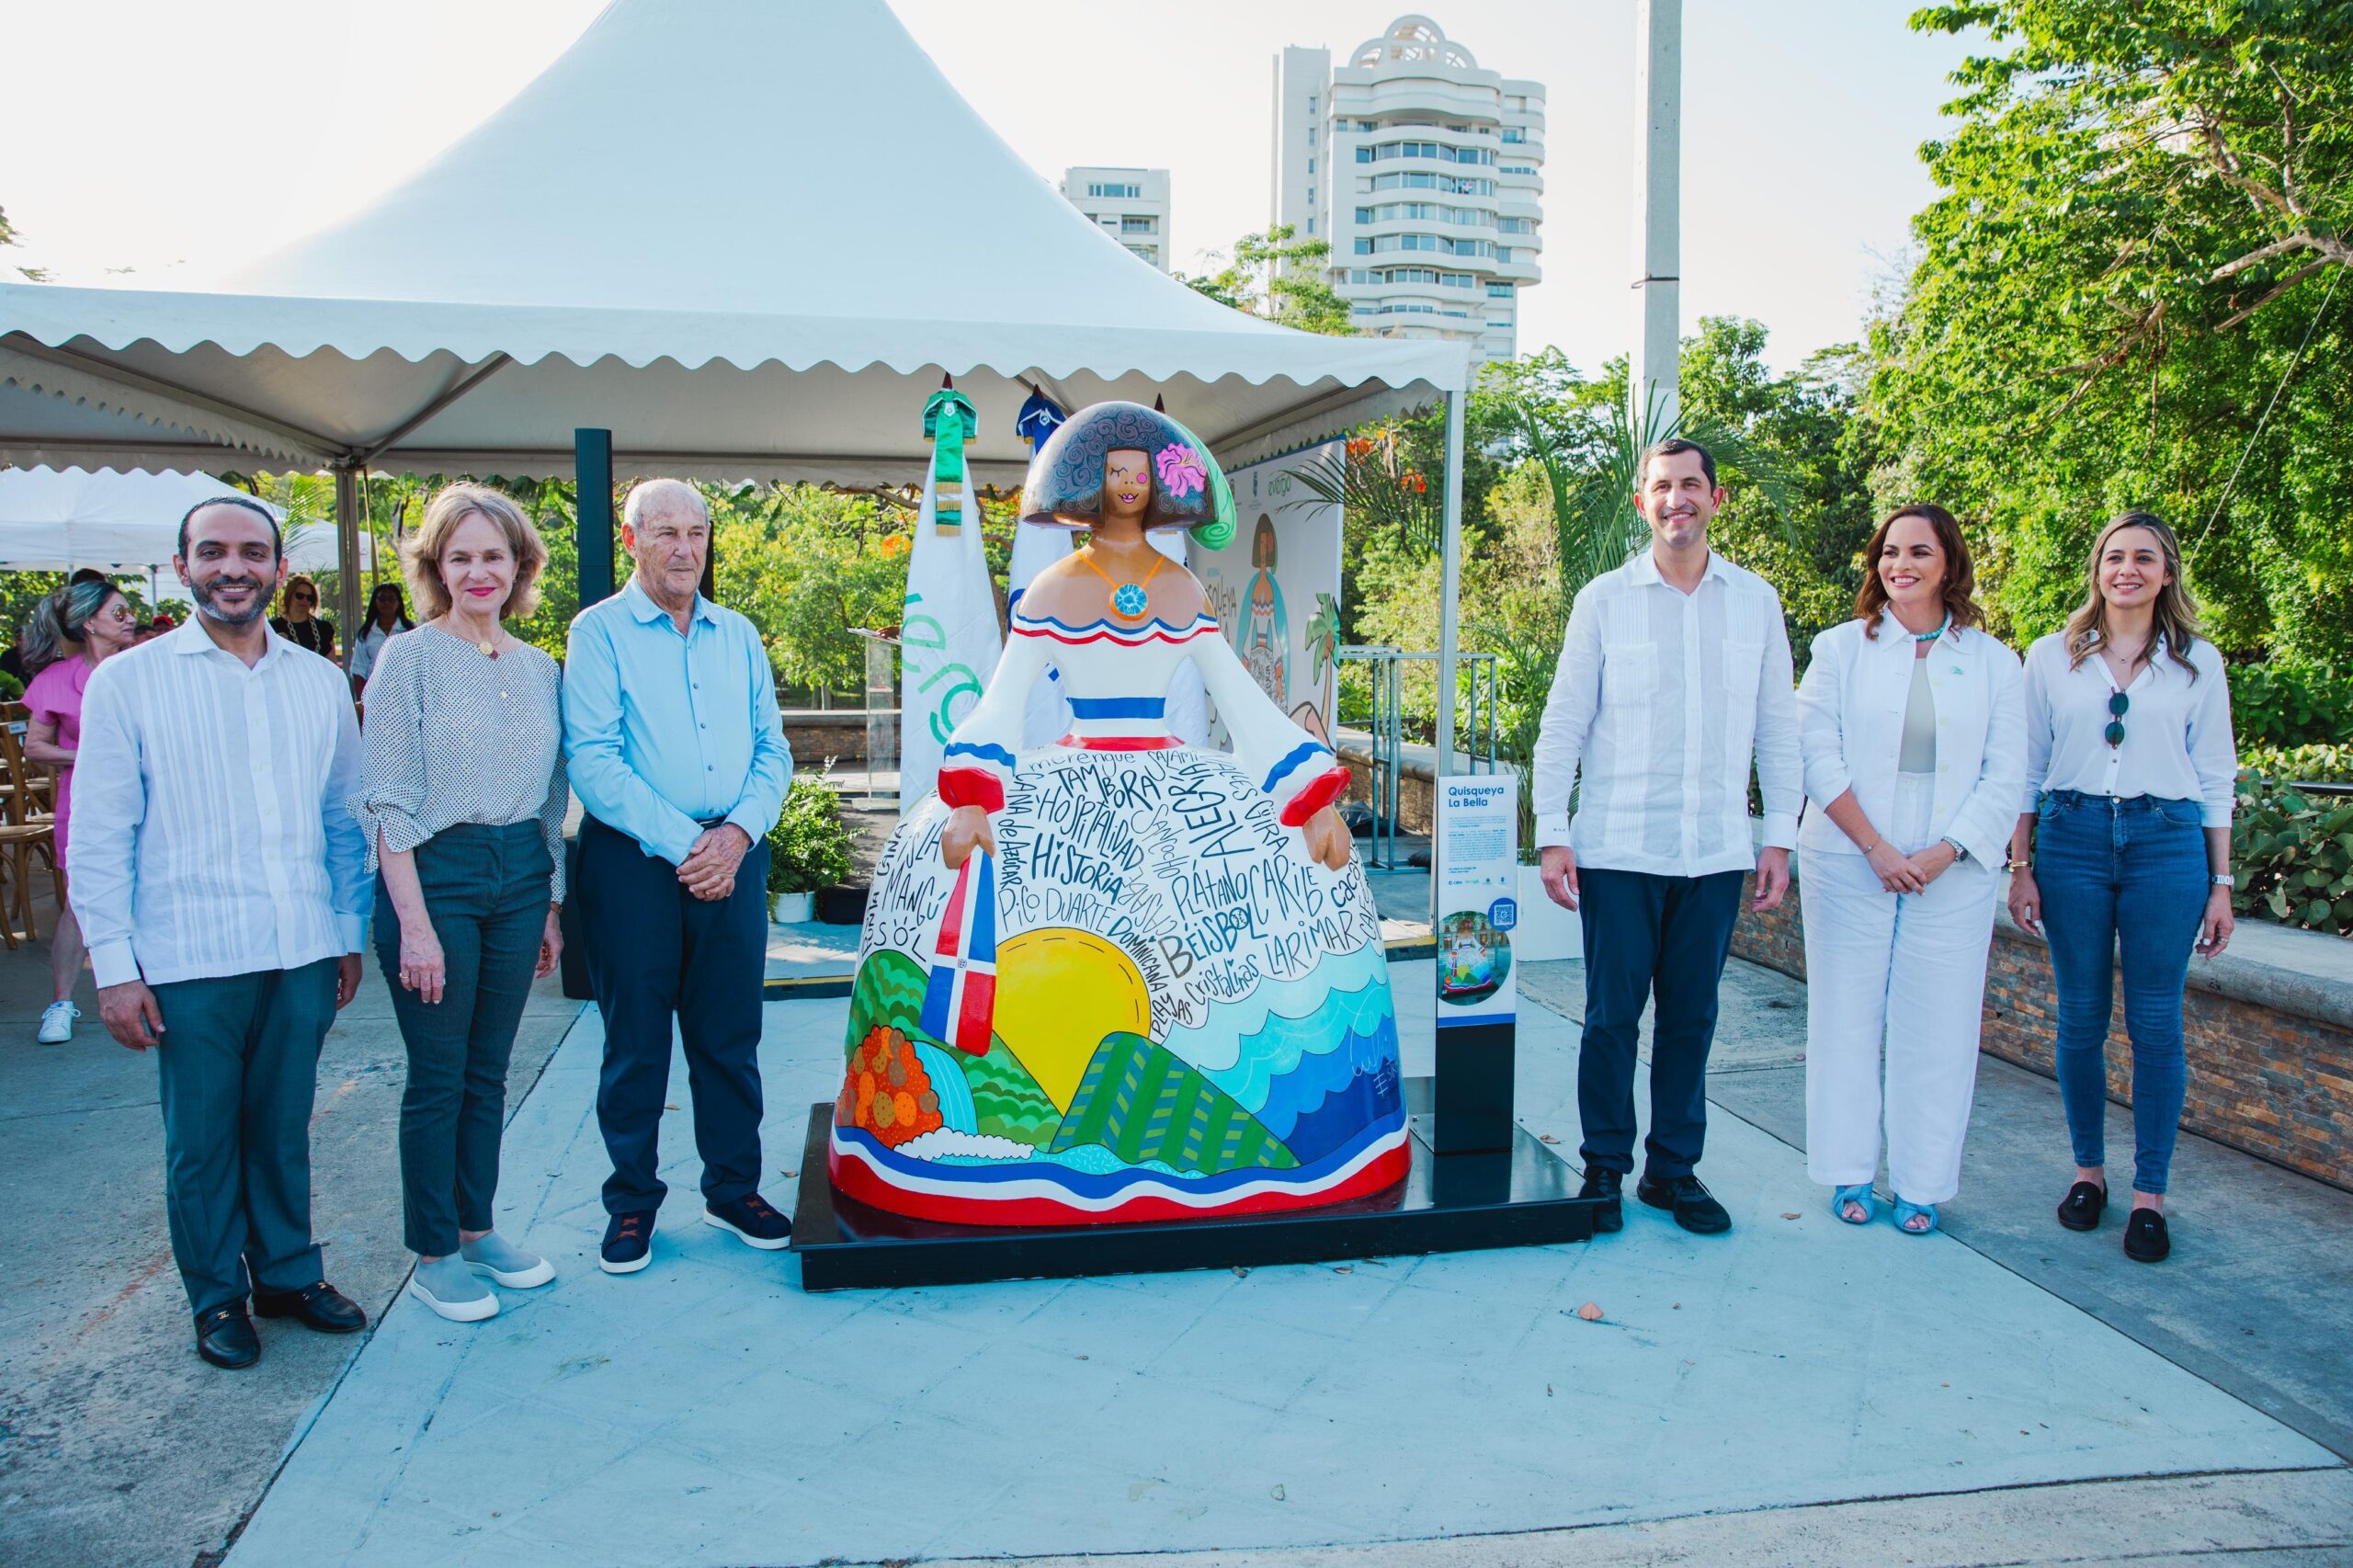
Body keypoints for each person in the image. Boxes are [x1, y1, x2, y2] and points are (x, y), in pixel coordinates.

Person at [71, 496, 371, 1369]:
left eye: (251, 552)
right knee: (201, 1139)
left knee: (282, 1126)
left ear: (278, 568)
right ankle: (216, 1298)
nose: (232, 567)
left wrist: (346, 931)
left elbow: (344, 817)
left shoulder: (318, 682)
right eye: (212, 552)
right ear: (182, 566)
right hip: (189, 952)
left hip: (300, 943)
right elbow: (99, 834)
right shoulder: (129, 682)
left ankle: (286, 1275)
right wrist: (114, 968)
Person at [1531, 437, 1802, 1236]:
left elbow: (1778, 729)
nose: (1676, 499)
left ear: (1716, 499)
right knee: (1611, 1017)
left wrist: (1778, 837)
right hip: (1620, 849)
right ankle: (1603, 1169)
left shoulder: (1755, 602)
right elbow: (1564, 721)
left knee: (1691, 1019)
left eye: (1690, 485)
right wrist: (1552, 833)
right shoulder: (1604, 601)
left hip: (1714, 853)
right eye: (1661, 486)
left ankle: (1673, 1171)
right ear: (1643, 502)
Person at [349, 484, 568, 1323]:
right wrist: (414, 926)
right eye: (461, 557)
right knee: (439, 1076)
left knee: (489, 1070)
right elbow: (385, 799)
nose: (480, 572)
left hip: (519, 875)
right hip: (432, 874)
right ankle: (434, 1252)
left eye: (494, 556)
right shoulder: (407, 660)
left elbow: (552, 799)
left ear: (520, 566)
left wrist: (548, 905)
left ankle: (478, 1230)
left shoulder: (540, 667)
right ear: (436, 568)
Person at [563, 478, 792, 1275]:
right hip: (634, 863)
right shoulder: (598, 633)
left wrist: (735, 836)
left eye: (696, 532)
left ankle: (733, 1190)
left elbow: (773, 749)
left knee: (730, 1037)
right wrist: (690, 846)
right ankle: (631, 1203)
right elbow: (593, 759)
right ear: (632, 540)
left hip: (733, 855)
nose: (685, 549)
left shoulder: (739, 635)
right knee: (635, 1044)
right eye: (665, 533)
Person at [2007, 511, 2235, 1265]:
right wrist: (2021, 865)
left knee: (2156, 1023)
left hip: (2166, 845)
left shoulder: (2198, 663)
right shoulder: (2051, 656)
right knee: (2080, 1017)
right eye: (2114, 557)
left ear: (2166, 573)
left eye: (2144, 558)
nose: (2127, 570)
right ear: (2097, 570)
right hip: (2070, 840)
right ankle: (2088, 1175)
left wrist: (2221, 883)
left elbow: (2215, 776)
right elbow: (2027, 768)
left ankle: (2149, 1196)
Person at [1795, 506, 2024, 1235]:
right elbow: (1815, 753)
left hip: (1952, 867)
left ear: (1948, 563)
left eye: (1919, 552)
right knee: (1846, 1018)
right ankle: (1849, 1171)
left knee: (1940, 1026)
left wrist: (1945, 851)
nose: (1901, 565)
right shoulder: (1840, 649)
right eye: (1890, 552)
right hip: (1849, 855)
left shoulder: (1995, 663)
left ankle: (1922, 1184)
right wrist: (1878, 848)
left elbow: (2008, 773)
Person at [19, 579, 140, 1043]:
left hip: (151, 796)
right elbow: (35, 746)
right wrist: (91, 755)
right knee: (80, 898)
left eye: (129, 611)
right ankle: (61, 1003)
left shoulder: (144, 666)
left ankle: (153, 989)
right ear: (89, 623)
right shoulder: (57, 678)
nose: (130, 619)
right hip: (85, 800)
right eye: (119, 612)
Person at [347, 582, 415, 703]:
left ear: (398, 603)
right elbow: (358, 671)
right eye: (382, 599)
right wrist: (362, 703)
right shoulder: (366, 633)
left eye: (391, 599)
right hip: (375, 695)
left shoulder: (411, 630)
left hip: (406, 694)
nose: (387, 603)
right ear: (375, 602)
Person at [268, 574, 335, 660]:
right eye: (299, 596)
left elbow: (332, 664)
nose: (304, 600)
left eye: (309, 598)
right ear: (289, 596)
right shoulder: (273, 628)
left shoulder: (324, 628)